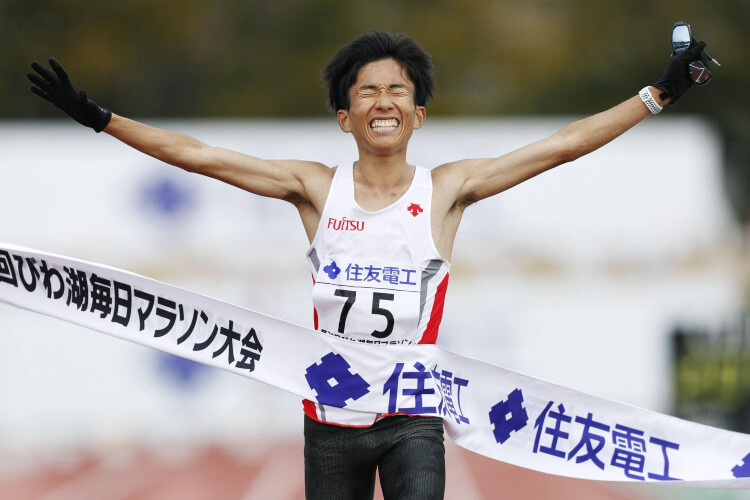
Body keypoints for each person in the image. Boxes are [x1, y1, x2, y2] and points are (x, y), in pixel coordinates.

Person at [27, 30, 710, 500]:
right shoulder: (314, 188)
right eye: (366, 92)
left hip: (413, 414)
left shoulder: (447, 189)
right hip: (330, 422)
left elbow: (562, 146)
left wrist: (658, 95)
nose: (383, 101)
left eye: (397, 91)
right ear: (344, 117)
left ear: (418, 113)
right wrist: (99, 117)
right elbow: (200, 156)